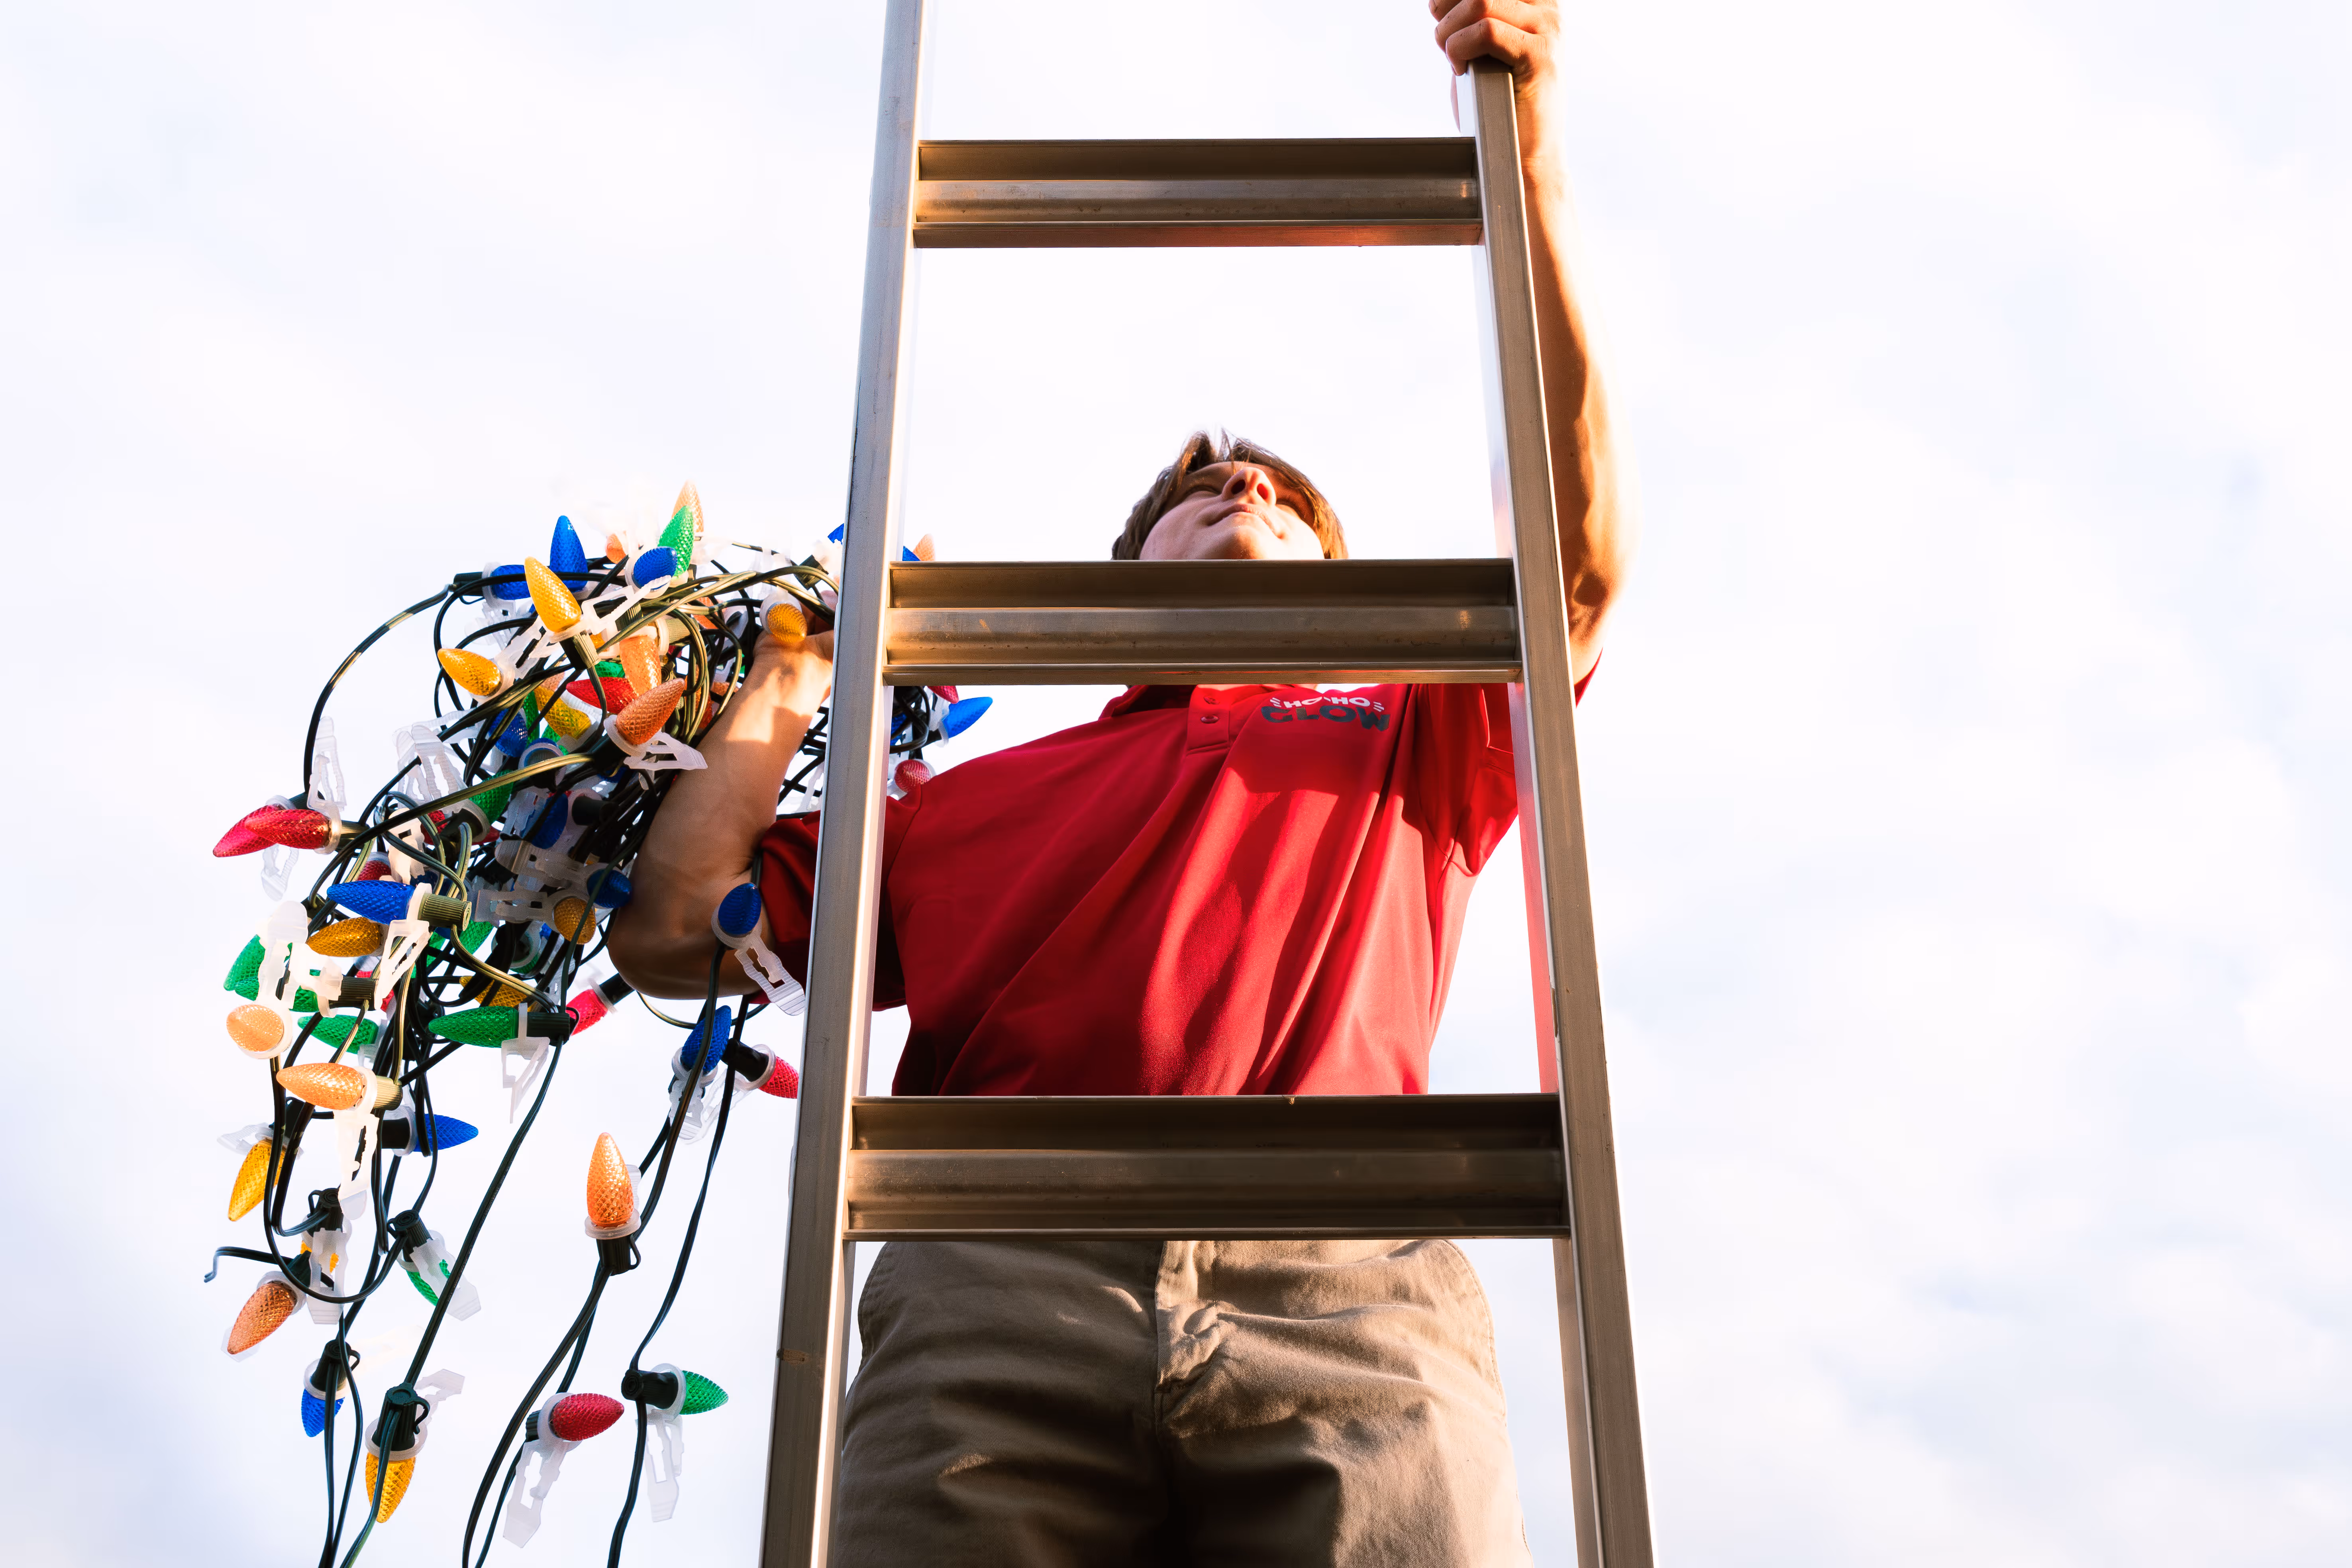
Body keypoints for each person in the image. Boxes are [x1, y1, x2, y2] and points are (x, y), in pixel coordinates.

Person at [609, 4, 1632, 1561]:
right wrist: (790, 674)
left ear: (1336, 576)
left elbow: (1570, 562)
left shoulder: (1409, 718)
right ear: (1124, 572)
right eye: (1198, 491)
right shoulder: (974, 803)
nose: (1242, 488)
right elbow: (677, 931)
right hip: (996, 1272)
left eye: (1281, 495)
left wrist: (1530, 144)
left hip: (1348, 1272)